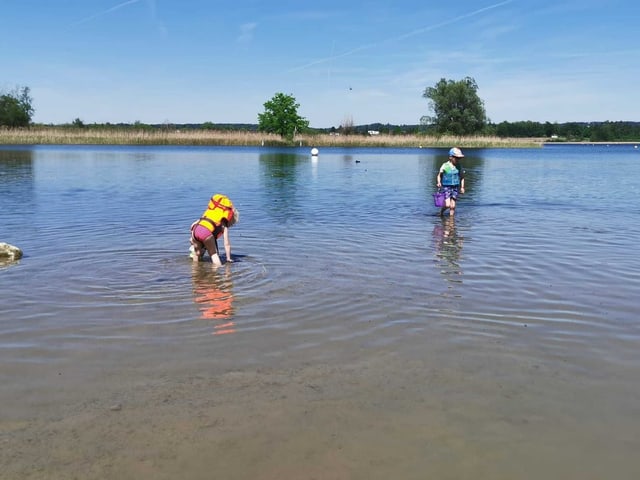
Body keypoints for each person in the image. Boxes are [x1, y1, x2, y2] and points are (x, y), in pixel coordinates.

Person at [190, 194, 239, 267]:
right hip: (206, 232)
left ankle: (195, 273)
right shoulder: (223, 223)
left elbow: (192, 225)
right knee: (213, 254)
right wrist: (228, 258)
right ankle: (216, 275)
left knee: (197, 254)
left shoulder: (209, 213)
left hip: (196, 230)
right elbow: (226, 244)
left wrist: (193, 238)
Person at [436, 147, 466, 216]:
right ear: (450, 157)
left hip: (455, 187)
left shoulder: (459, 166)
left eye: (459, 158)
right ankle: (441, 213)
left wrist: (462, 187)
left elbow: (462, 177)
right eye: (456, 158)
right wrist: (439, 182)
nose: (458, 160)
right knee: (447, 205)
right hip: (447, 187)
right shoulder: (445, 166)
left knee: (452, 206)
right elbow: (439, 175)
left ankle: (451, 221)